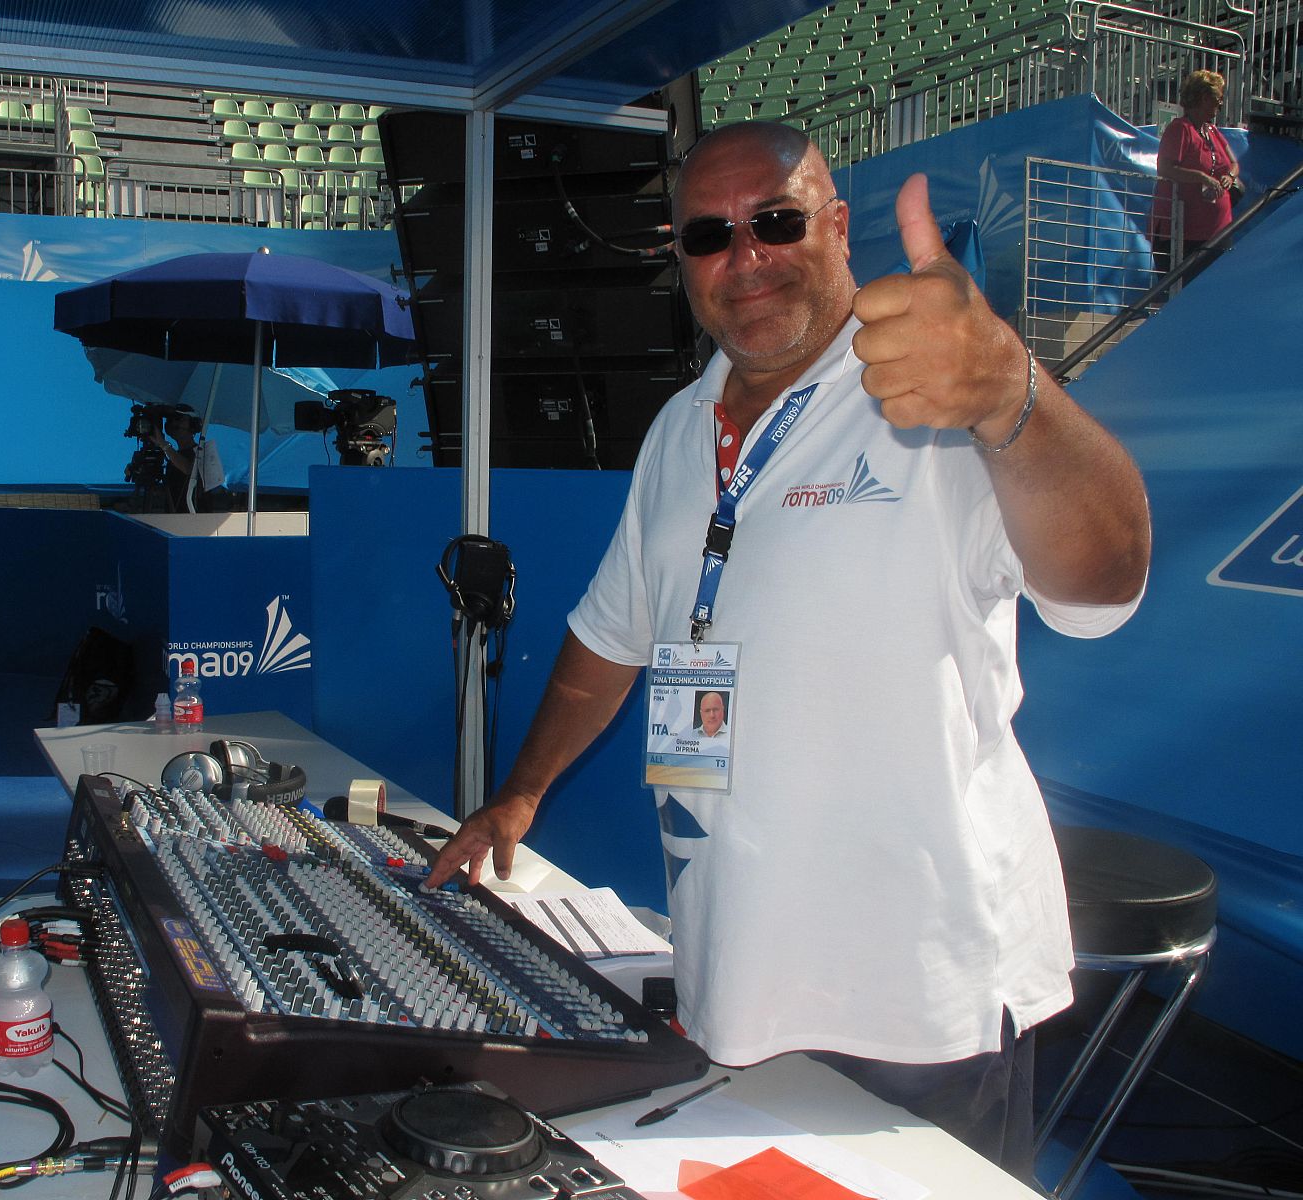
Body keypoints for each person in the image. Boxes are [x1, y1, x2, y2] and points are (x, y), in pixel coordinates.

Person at [425, 123, 1151, 1180]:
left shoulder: (934, 389)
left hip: (918, 995)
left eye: (775, 220)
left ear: (837, 225)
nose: (745, 256)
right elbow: (608, 637)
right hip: (739, 971)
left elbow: (1107, 583)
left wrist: (1011, 398)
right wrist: (518, 796)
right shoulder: (680, 426)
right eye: (709, 236)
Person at [1151, 69, 1241, 281]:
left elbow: (1234, 163)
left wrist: (1230, 175)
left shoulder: (1212, 131)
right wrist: (1202, 177)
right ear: (1203, 98)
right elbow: (1164, 168)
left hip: (1218, 232)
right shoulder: (1179, 129)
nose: (1220, 105)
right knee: (1180, 293)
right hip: (1184, 235)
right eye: (1217, 99)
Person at [149, 408, 228, 512]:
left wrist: (164, 444)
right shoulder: (173, 457)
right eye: (170, 420)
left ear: (193, 425)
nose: (174, 423)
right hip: (174, 519)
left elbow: (189, 469)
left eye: (179, 419)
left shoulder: (201, 453)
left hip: (195, 521)